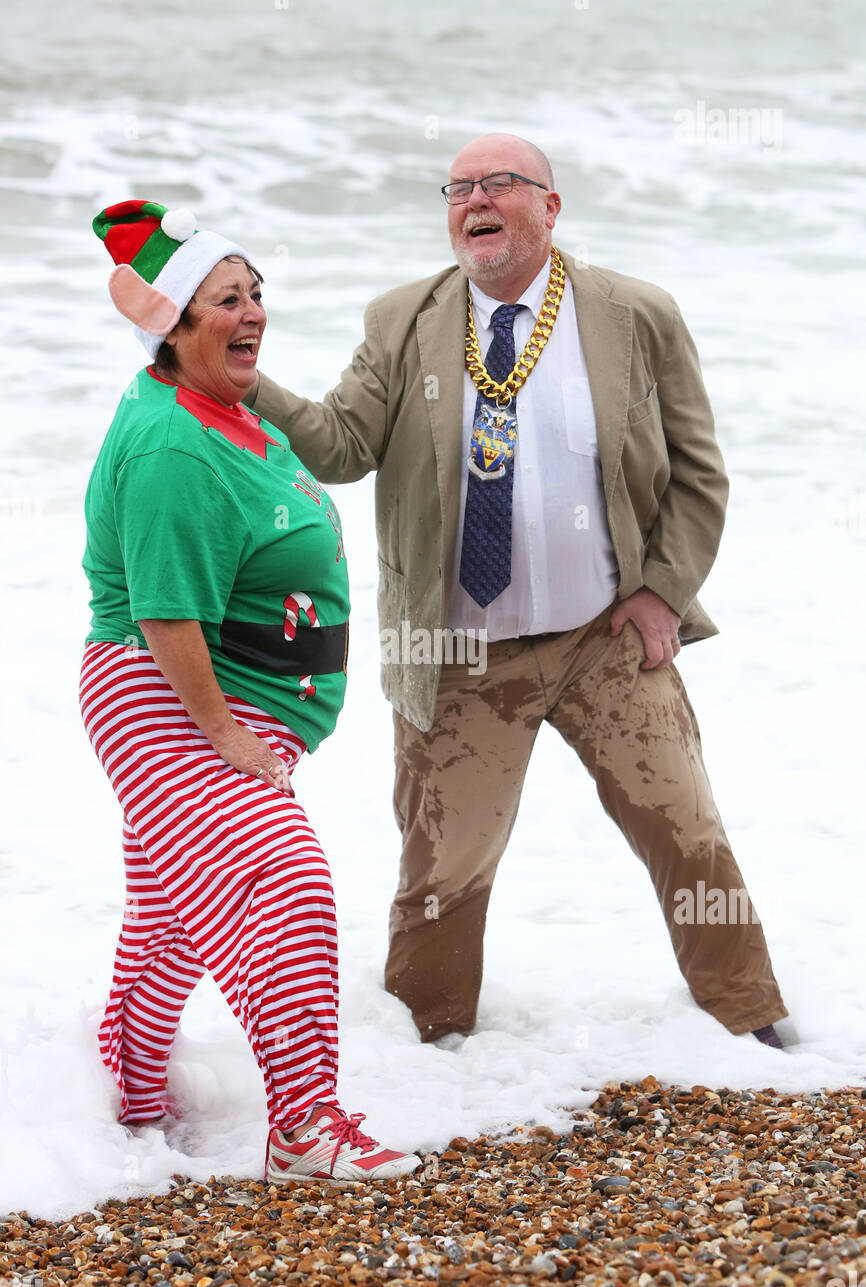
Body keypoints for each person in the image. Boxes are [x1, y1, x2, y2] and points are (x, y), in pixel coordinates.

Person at [243, 133, 788, 1051]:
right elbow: (340, 447)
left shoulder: (635, 314)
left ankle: (752, 1023)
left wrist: (660, 592)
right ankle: (428, 1045)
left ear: (549, 206)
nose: (474, 199)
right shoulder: (402, 318)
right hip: (457, 651)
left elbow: (700, 472)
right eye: (458, 187)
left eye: (499, 183)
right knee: (442, 869)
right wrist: (245, 383)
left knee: (687, 831)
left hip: (603, 637)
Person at [80, 199, 420, 1186]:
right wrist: (224, 730)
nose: (252, 312)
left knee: (174, 914)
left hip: (214, 697)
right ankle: (304, 1130)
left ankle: (124, 1103)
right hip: (171, 696)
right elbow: (166, 615)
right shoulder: (171, 448)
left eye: (256, 292)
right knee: (285, 882)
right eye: (226, 298)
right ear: (176, 324)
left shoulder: (227, 411)